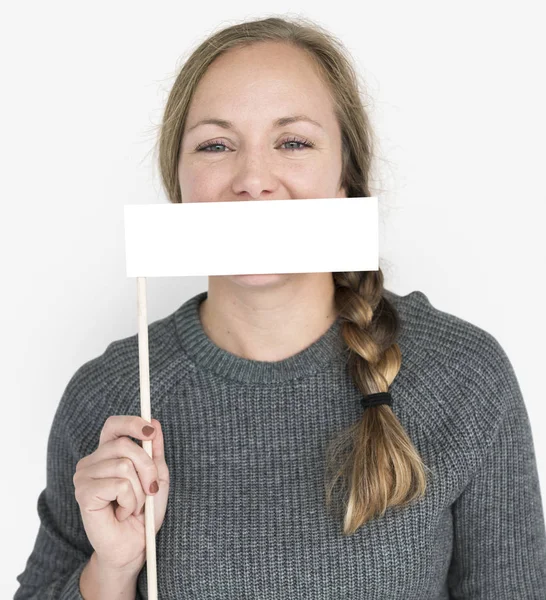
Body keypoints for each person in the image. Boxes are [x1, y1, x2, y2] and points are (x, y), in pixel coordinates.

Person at [14, 15, 546, 600]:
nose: (253, 178)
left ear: (345, 177)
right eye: (216, 145)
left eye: (292, 142)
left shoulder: (464, 375)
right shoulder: (109, 397)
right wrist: (111, 570)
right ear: (179, 183)